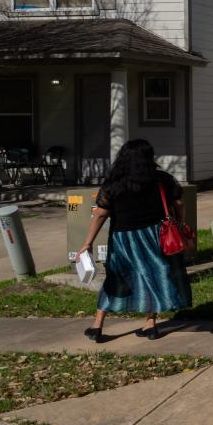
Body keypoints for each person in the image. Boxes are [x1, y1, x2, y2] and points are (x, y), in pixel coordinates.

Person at [77, 139, 192, 342]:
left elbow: (101, 214)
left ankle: (97, 326)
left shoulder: (114, 183)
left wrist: (87, 243)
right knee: (153, 275)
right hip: (155, 235)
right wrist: (181, 224)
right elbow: (179, 202)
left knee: (116, 278)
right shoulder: (161, 179)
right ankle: (150, 324)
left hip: (123, 238)